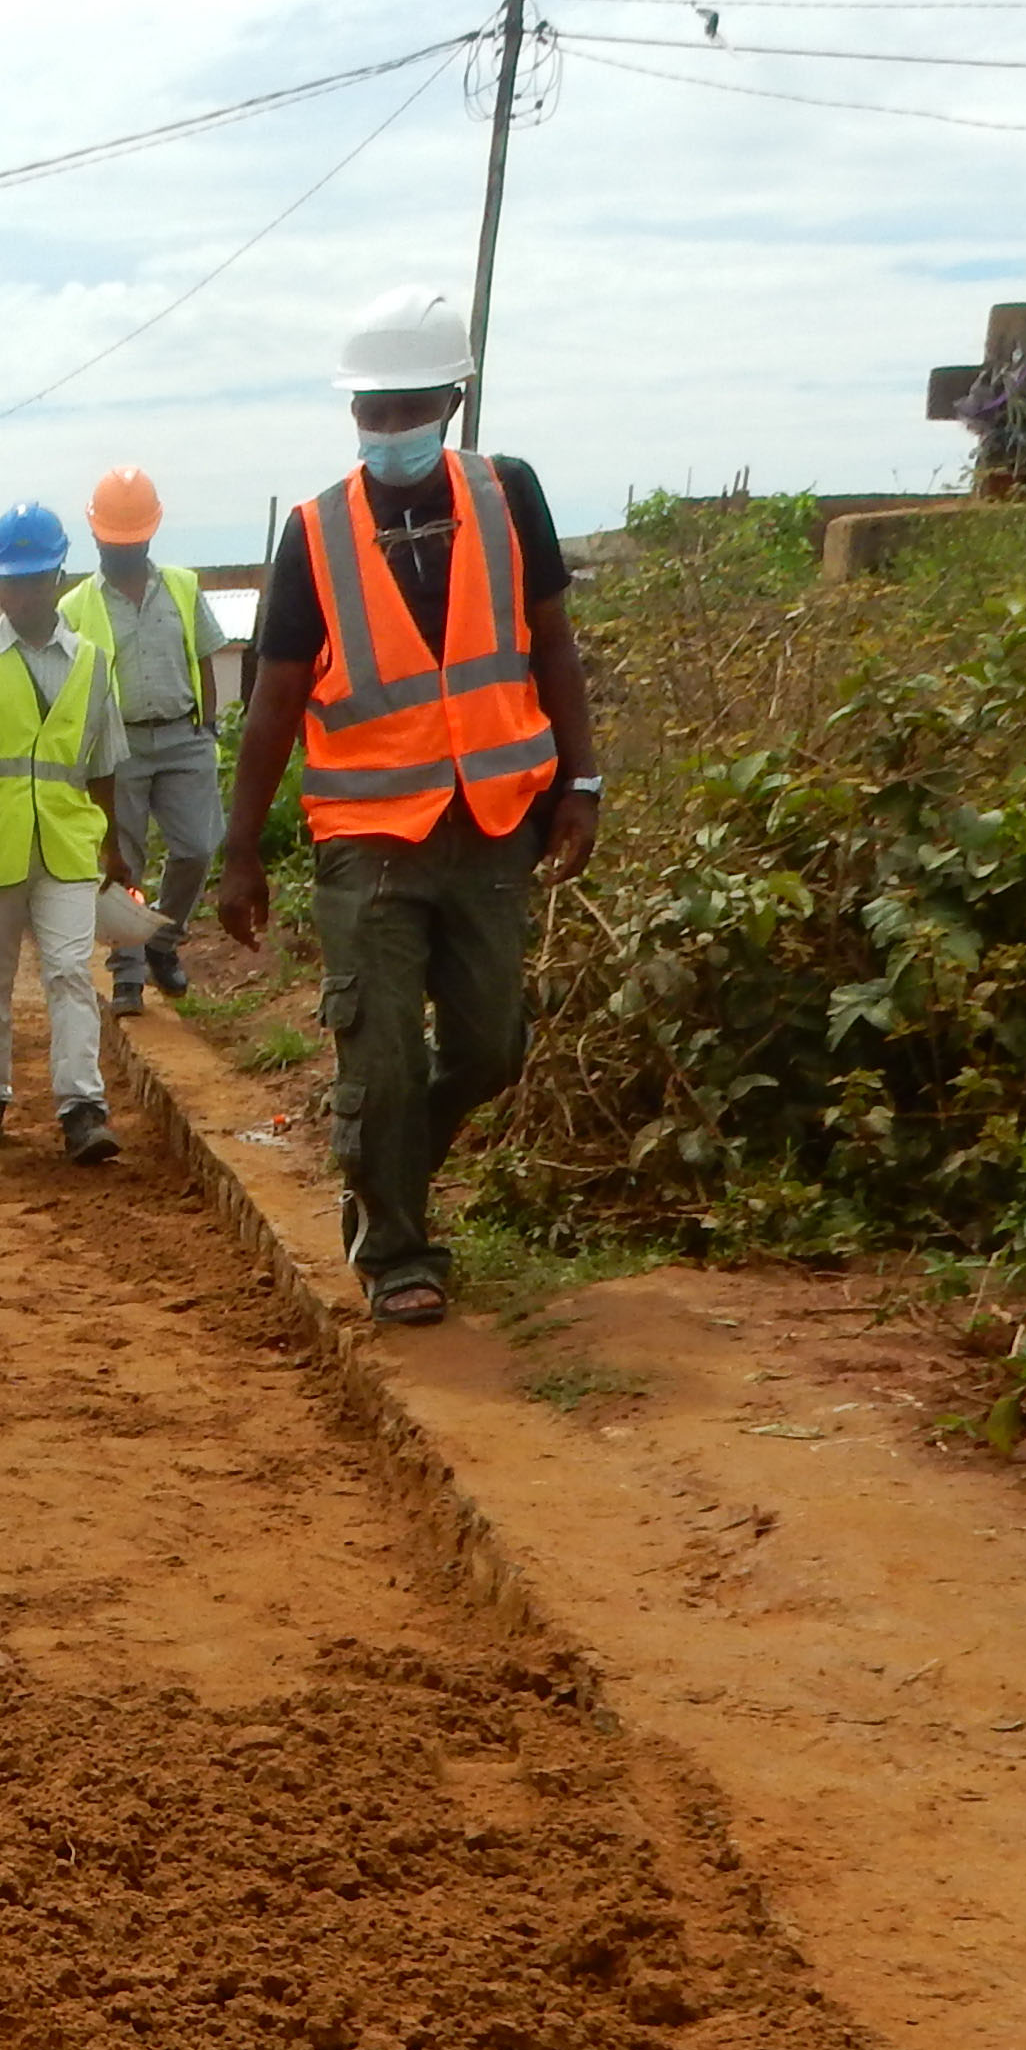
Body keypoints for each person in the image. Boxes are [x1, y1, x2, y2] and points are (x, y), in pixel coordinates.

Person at [217, 286, 603, 1328]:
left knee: (489, 1047)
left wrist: (583, 781)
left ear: (454, 398)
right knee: (380, 1053)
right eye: (370, 413)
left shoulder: (510, 495)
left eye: (407, 409)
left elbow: (555, 644)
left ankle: (382, 1174)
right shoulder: (316, 535)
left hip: (491, 827)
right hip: (367, 843)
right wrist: (241, 851)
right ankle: (395, 1250)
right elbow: (273, 703)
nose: (388, 430)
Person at [0, 501, 129, 1164]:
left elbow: (103, 764)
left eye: (37, 578)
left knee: (70, 971)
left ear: (58, 577)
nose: (24, 592)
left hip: (66, 844)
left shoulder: (93, 663)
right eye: (12, 580)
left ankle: (82, 1108)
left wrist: (114, 844)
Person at [62, 465, 225, 1013]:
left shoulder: (182, 585)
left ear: (151, 532)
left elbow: (203, 657)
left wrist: (207, 725)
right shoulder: (76, 606)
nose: (124, 550)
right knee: (122, 860)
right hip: (117, 746)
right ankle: (127, 974)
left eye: (133, 540)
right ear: (96, 536)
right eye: (114, 540)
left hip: (183, 735)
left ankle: (162, 940)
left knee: (197, 847)